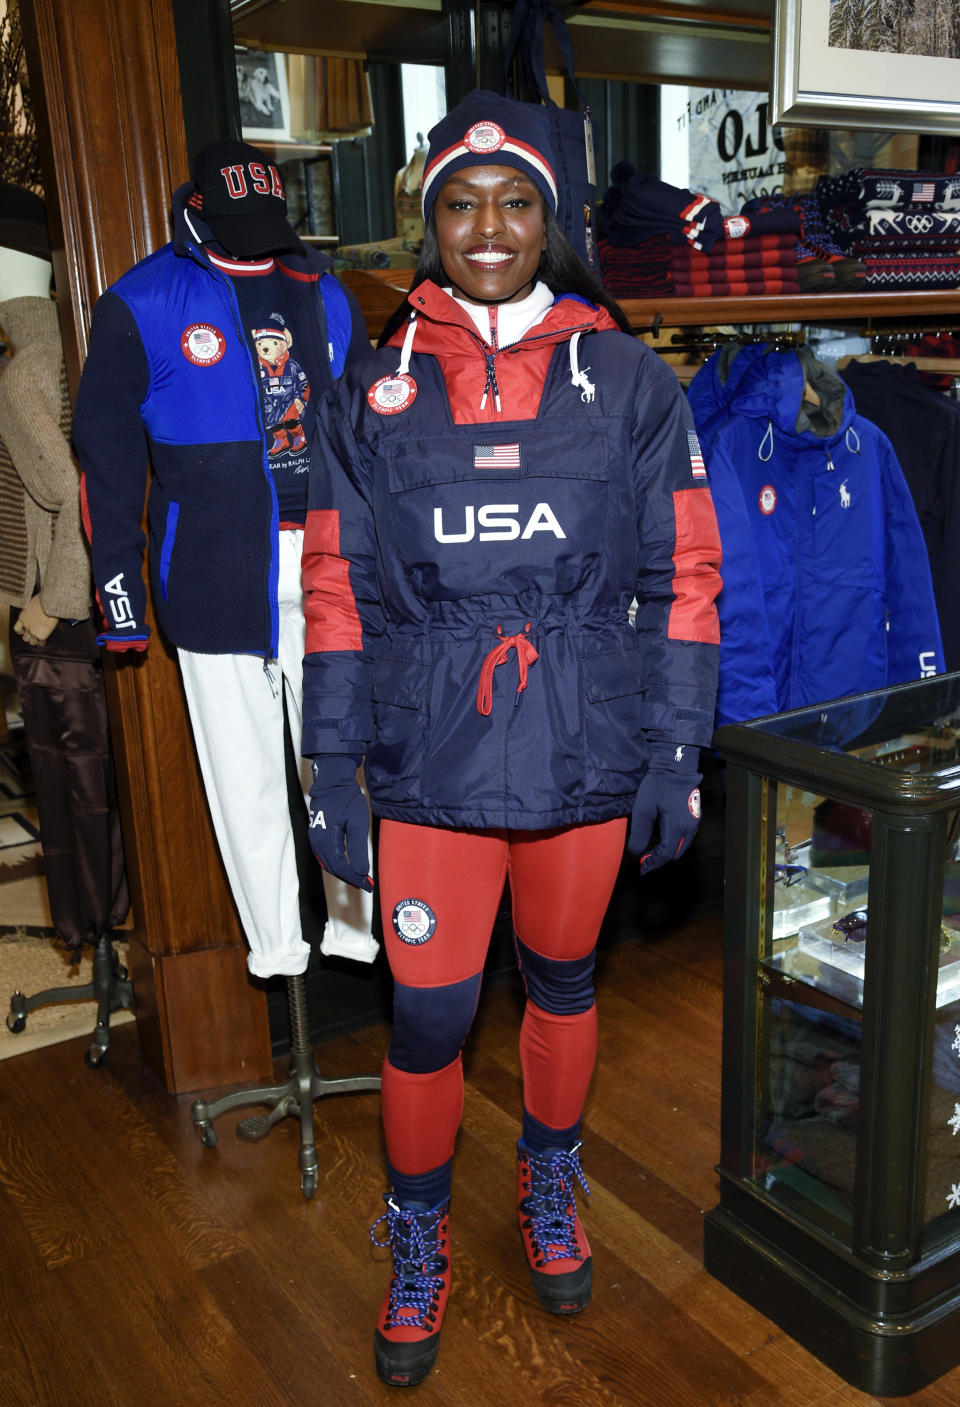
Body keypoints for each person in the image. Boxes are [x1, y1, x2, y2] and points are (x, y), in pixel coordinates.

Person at [300, 91, 722, 1388]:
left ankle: (551, 1184)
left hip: (581, 754)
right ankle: (415, 1240)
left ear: (552, 218)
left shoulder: (633, 379)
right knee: (427, 1023)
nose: (490, 226)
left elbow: (687, 572)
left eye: (517, 199)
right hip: (427, 762)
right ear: (429, 219)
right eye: (462, 201)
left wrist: (676, 750)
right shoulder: (371, 388)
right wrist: (330, 761)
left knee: (562, 983)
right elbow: (332, 587)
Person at [72, 138, 376, 984]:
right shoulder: (141, 301)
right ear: (195, 209)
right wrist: (119, 592)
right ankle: (278, 947)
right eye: (237, 223)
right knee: (241, 771)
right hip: (210, 571)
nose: (257, 239)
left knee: (340, 756)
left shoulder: (324, 290)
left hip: (329, 563)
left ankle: (355, 925)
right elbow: (105, 458)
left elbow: (370, 437)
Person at [0, 181, 128, 951]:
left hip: (60, 622)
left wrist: (57, 599)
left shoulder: (24, 369)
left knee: (72, 787)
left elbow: (73, 488)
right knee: (91, 787)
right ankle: (102, 929)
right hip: (76, 608)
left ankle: (94, 931)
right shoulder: (68, 342)